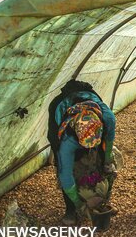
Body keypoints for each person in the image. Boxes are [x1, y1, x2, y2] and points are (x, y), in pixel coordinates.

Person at [47, 80, 118, 226]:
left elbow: (109, 140)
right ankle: (71, 209)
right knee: (66, 168)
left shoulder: (107, 118)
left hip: (90, 107)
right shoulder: (66, 139)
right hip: (62, 123)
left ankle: (100, 202)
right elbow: (65, 176)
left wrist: (106, 161)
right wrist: (79, 204)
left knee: (100, 164)